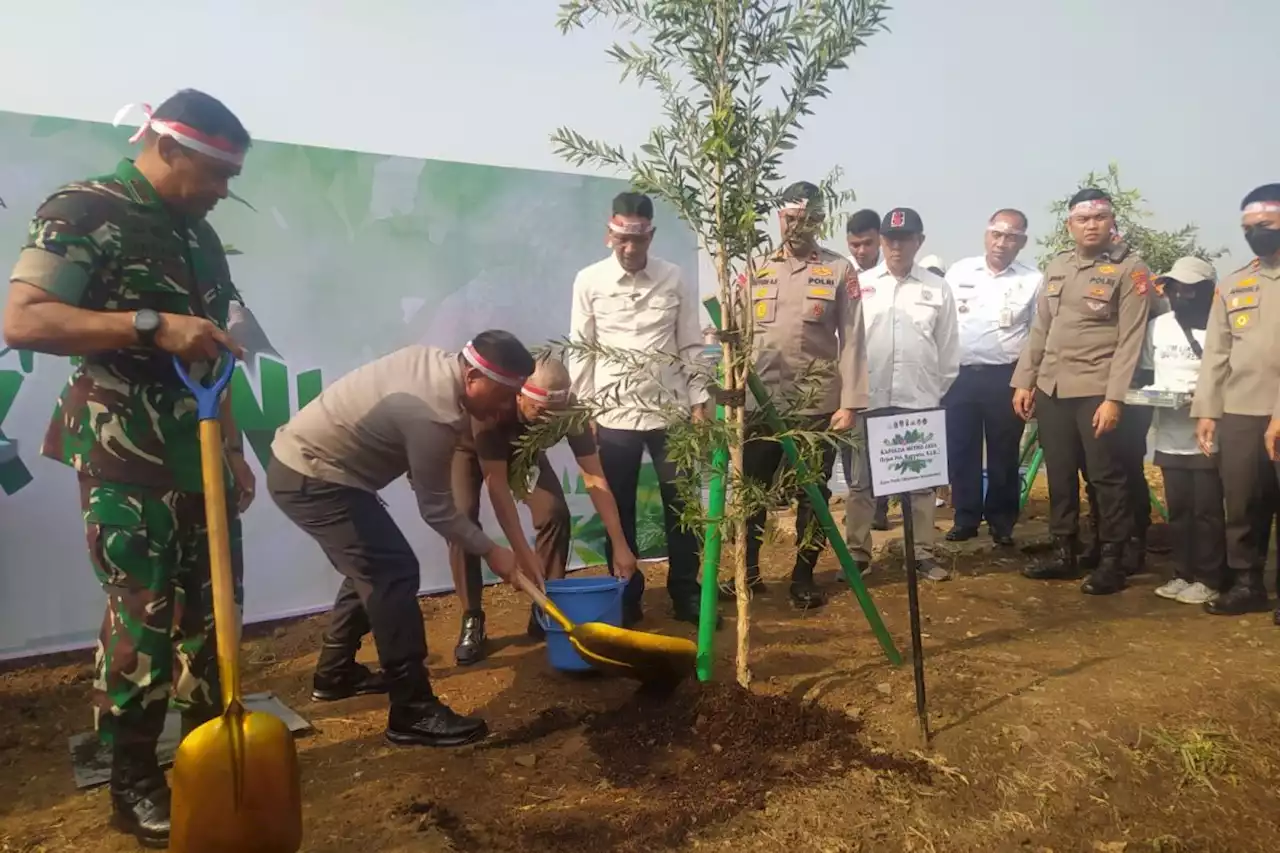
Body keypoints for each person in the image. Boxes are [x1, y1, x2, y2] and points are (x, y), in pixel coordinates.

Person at [2, 89, 254, 847]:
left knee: (214, 621)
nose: (222, 190)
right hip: (122, 455)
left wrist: (236, 449)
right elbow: (24, 317)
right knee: (144, 621)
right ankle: (133, 781)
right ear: (167, 147)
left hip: (200, 453)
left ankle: (211, 761)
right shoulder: (83, 208)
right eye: (213, 171)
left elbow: (217, 349)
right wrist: (150, 324)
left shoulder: (201, 238)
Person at [267, 333, 537, 749]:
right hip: (313, 476)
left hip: (312, 469)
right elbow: (438, 511)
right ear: (471, 376)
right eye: (502, 396)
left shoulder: (431, 362)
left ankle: (335, 673)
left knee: (371, 562)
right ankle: (412, 711)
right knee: (393, 570)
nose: (504, 409)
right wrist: (493, 551)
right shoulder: (436, 415)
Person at [567, 192, 714, 627]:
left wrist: (699, 400)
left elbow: (690, 342)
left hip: (670, 414)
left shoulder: (674, 278)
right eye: (622, 239)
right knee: (619, 510)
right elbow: (581, 349)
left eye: (639, 239)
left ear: (651, 234)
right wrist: (586, 410)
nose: (631, 249)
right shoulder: (588, 280)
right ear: (609, 234)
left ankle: (686, 591)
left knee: (682, 505)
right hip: (613, 416)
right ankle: (626, 596)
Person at [723, 181, 868, 608]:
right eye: (789, 218)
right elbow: (736, 337)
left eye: (806, 219)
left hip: (816, 404)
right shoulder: (754, 268)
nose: (797, 226)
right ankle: (746, 574)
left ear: (820, 220)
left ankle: (803, 577)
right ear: (779, 218)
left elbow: (854, 340)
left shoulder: (839, 270)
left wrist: (850, 403)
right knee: (751, 491)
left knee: (813, 493)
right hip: (759, 401)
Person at [449, 355, 639, 664]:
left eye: (556, 416)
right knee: (462, 519)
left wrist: (620, 544)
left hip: (524, 451)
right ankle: (472, 617)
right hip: (468, 448)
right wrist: (522, 553)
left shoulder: (569, 411)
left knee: (553, 513)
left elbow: (593, 474)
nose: (548, 422)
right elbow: (497, 486)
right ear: (519, 394)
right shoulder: (493, 404)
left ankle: (545, 604)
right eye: (540, 412)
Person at [1012, 188, 1152, 595]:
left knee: (1106, 476)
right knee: (1059, 474)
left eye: (1100, 218)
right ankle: (1065, 550)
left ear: (1112, 222)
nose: (1091, 225)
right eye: (1082, 219)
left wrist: (1115, 398)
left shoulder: (1132, 269)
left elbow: (1130, 340)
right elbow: (1041, 329)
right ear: (1069, 224)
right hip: (1053, 386)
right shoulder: (1058, 266)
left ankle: (1112, 557)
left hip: (1097, 388)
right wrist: (1025, 379)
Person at [847, 207, 959, 580]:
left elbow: (948, 352)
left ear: (919, 242)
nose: (897, 246)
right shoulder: (861, 284)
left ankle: (922, 553)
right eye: (890, 239)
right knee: (862, 482)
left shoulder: (937, 287)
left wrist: (930, 392)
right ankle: (858, 555)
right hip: (870, 400)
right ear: (882, 241)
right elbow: (847, 344)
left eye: (905, 239)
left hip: (918, 402)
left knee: (921, 485)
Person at [1197, 184, 1280, 618]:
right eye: (1247, 229)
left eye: (1264, 226)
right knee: (1243, 501)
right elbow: (1217, 353)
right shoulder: (1234, 283)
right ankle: (1247, 583)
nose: (1255, 235)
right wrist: (1208, 410)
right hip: (1242, 410)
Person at [943, 209, 1042, 546]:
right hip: (961, 375)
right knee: (961, 449)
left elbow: (1037, 334)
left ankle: (1002, 522)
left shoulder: (1032, 279)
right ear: (986, 235)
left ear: (1022, 242)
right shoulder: (959, 271)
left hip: (1007, 378)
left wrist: (1028, 383)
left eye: (1011, 236)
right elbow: (943, 323)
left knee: (1004, 451)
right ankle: (965, 518)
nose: (1002, 243)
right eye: (997, 234)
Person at [1142, 260, 1224, 604]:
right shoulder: (1157, 327)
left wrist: (1201, 400)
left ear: (1206, 291)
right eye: (1173, 288)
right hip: (1170, 433)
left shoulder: (1221, 327)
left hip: (1209, 435)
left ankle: (1211, 577)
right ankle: (1182, 572)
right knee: (1179, 507)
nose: (1180, 295)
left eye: (1189, 289)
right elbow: (1148, 372)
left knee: (1207, 509)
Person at [844, 208, 890, 529]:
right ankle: (861, 506)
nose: (861, 251)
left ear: (881, 241)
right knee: (853, 450)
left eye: (868, 244)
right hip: (851, 380)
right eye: (855, 245)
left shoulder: (896, 277)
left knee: (884, 447)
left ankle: (881, 510)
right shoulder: (844, 276)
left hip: (888, 377)